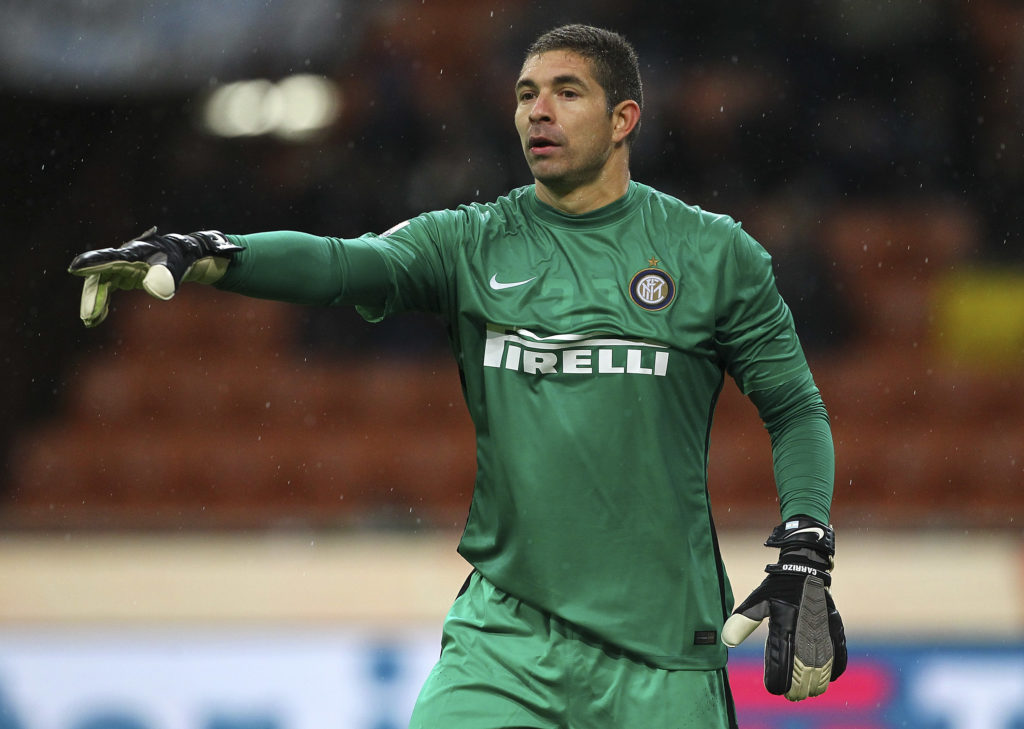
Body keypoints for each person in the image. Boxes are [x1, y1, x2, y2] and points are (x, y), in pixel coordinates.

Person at [69, 24, 846, 729]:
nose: (538, 111)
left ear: (623, 119)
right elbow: (345, 264)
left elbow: (795, 409)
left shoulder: (713, 253)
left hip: (662, 650)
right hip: (504, 640)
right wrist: (212, 253)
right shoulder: (474, 241)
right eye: (526, 94)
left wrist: (805, 545)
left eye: (566, 92)